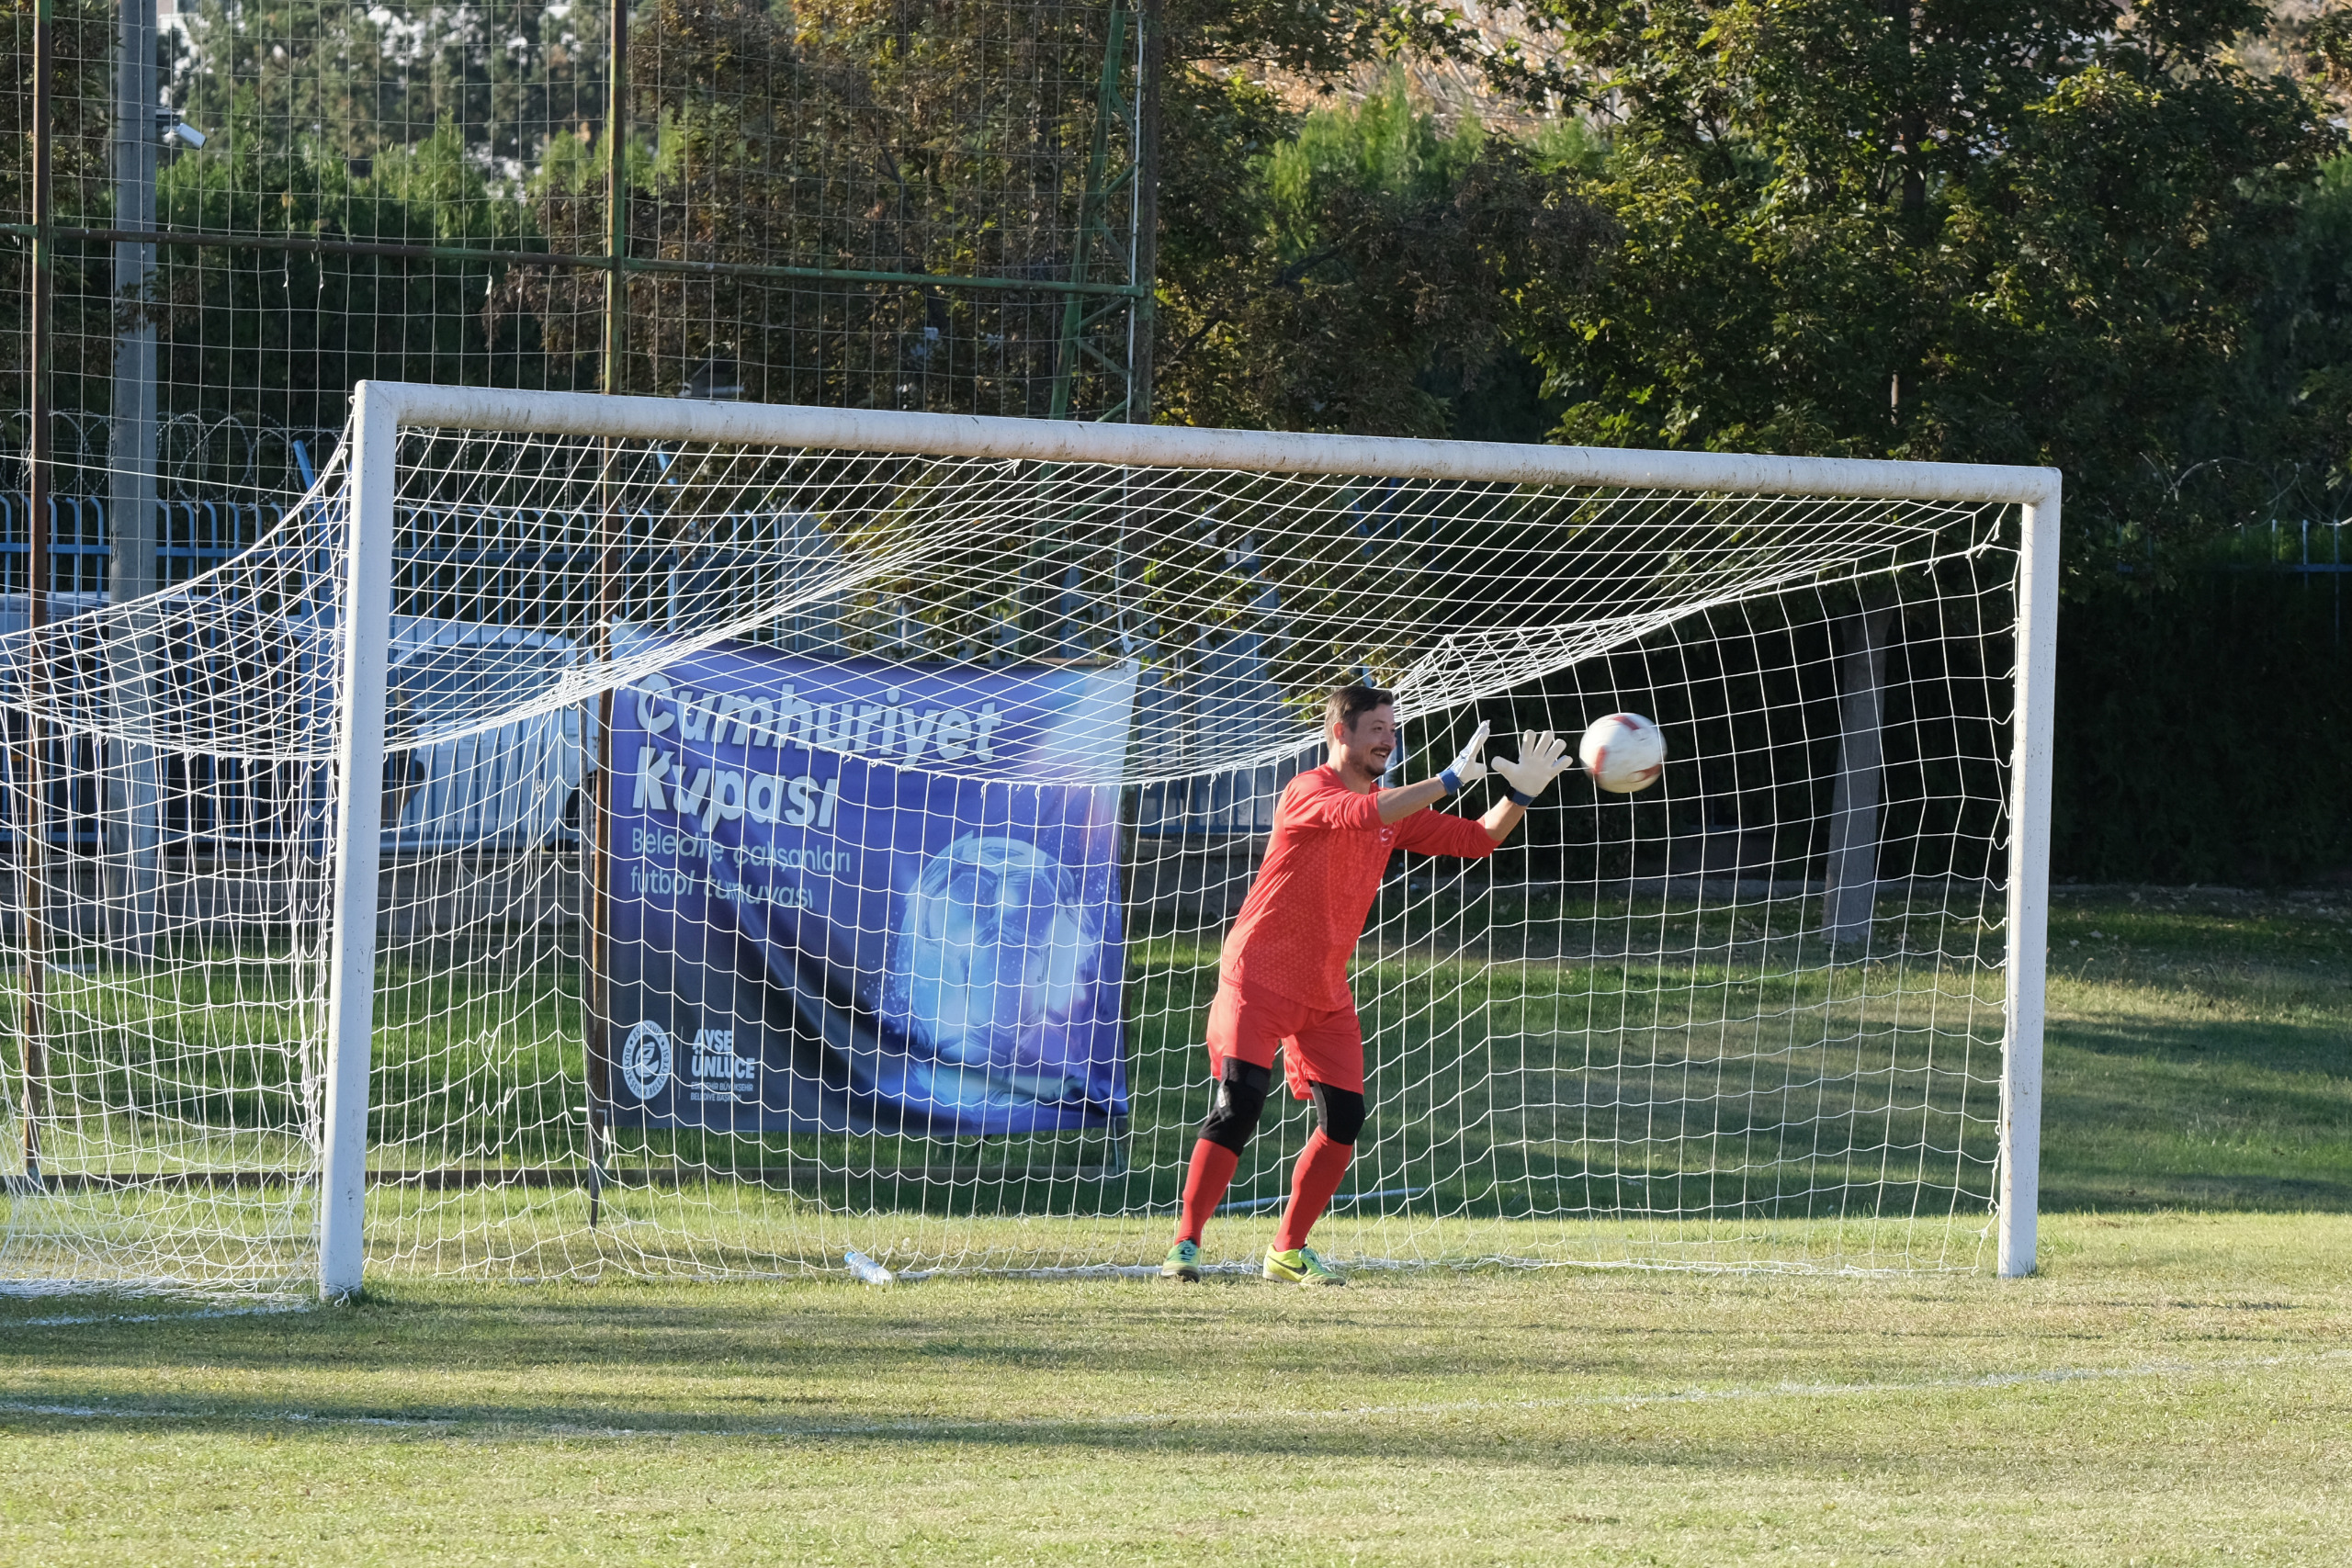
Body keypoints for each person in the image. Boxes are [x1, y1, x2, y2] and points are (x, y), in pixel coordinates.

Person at [1162, 683, 1573, 1286]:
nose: (1388, 737)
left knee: (1345, 1118)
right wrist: (1447, 779)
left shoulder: (1390, 808)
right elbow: (1359, 813)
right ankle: (1185, 1245)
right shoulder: (1309, 790)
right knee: (1240, 1103)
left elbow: (1476, 840)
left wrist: (1520, 794)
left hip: (1324, 990)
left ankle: (1287, 1249)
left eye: (1392, 727)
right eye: (1376, 727)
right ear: (1341, 734)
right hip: (1257, 975)